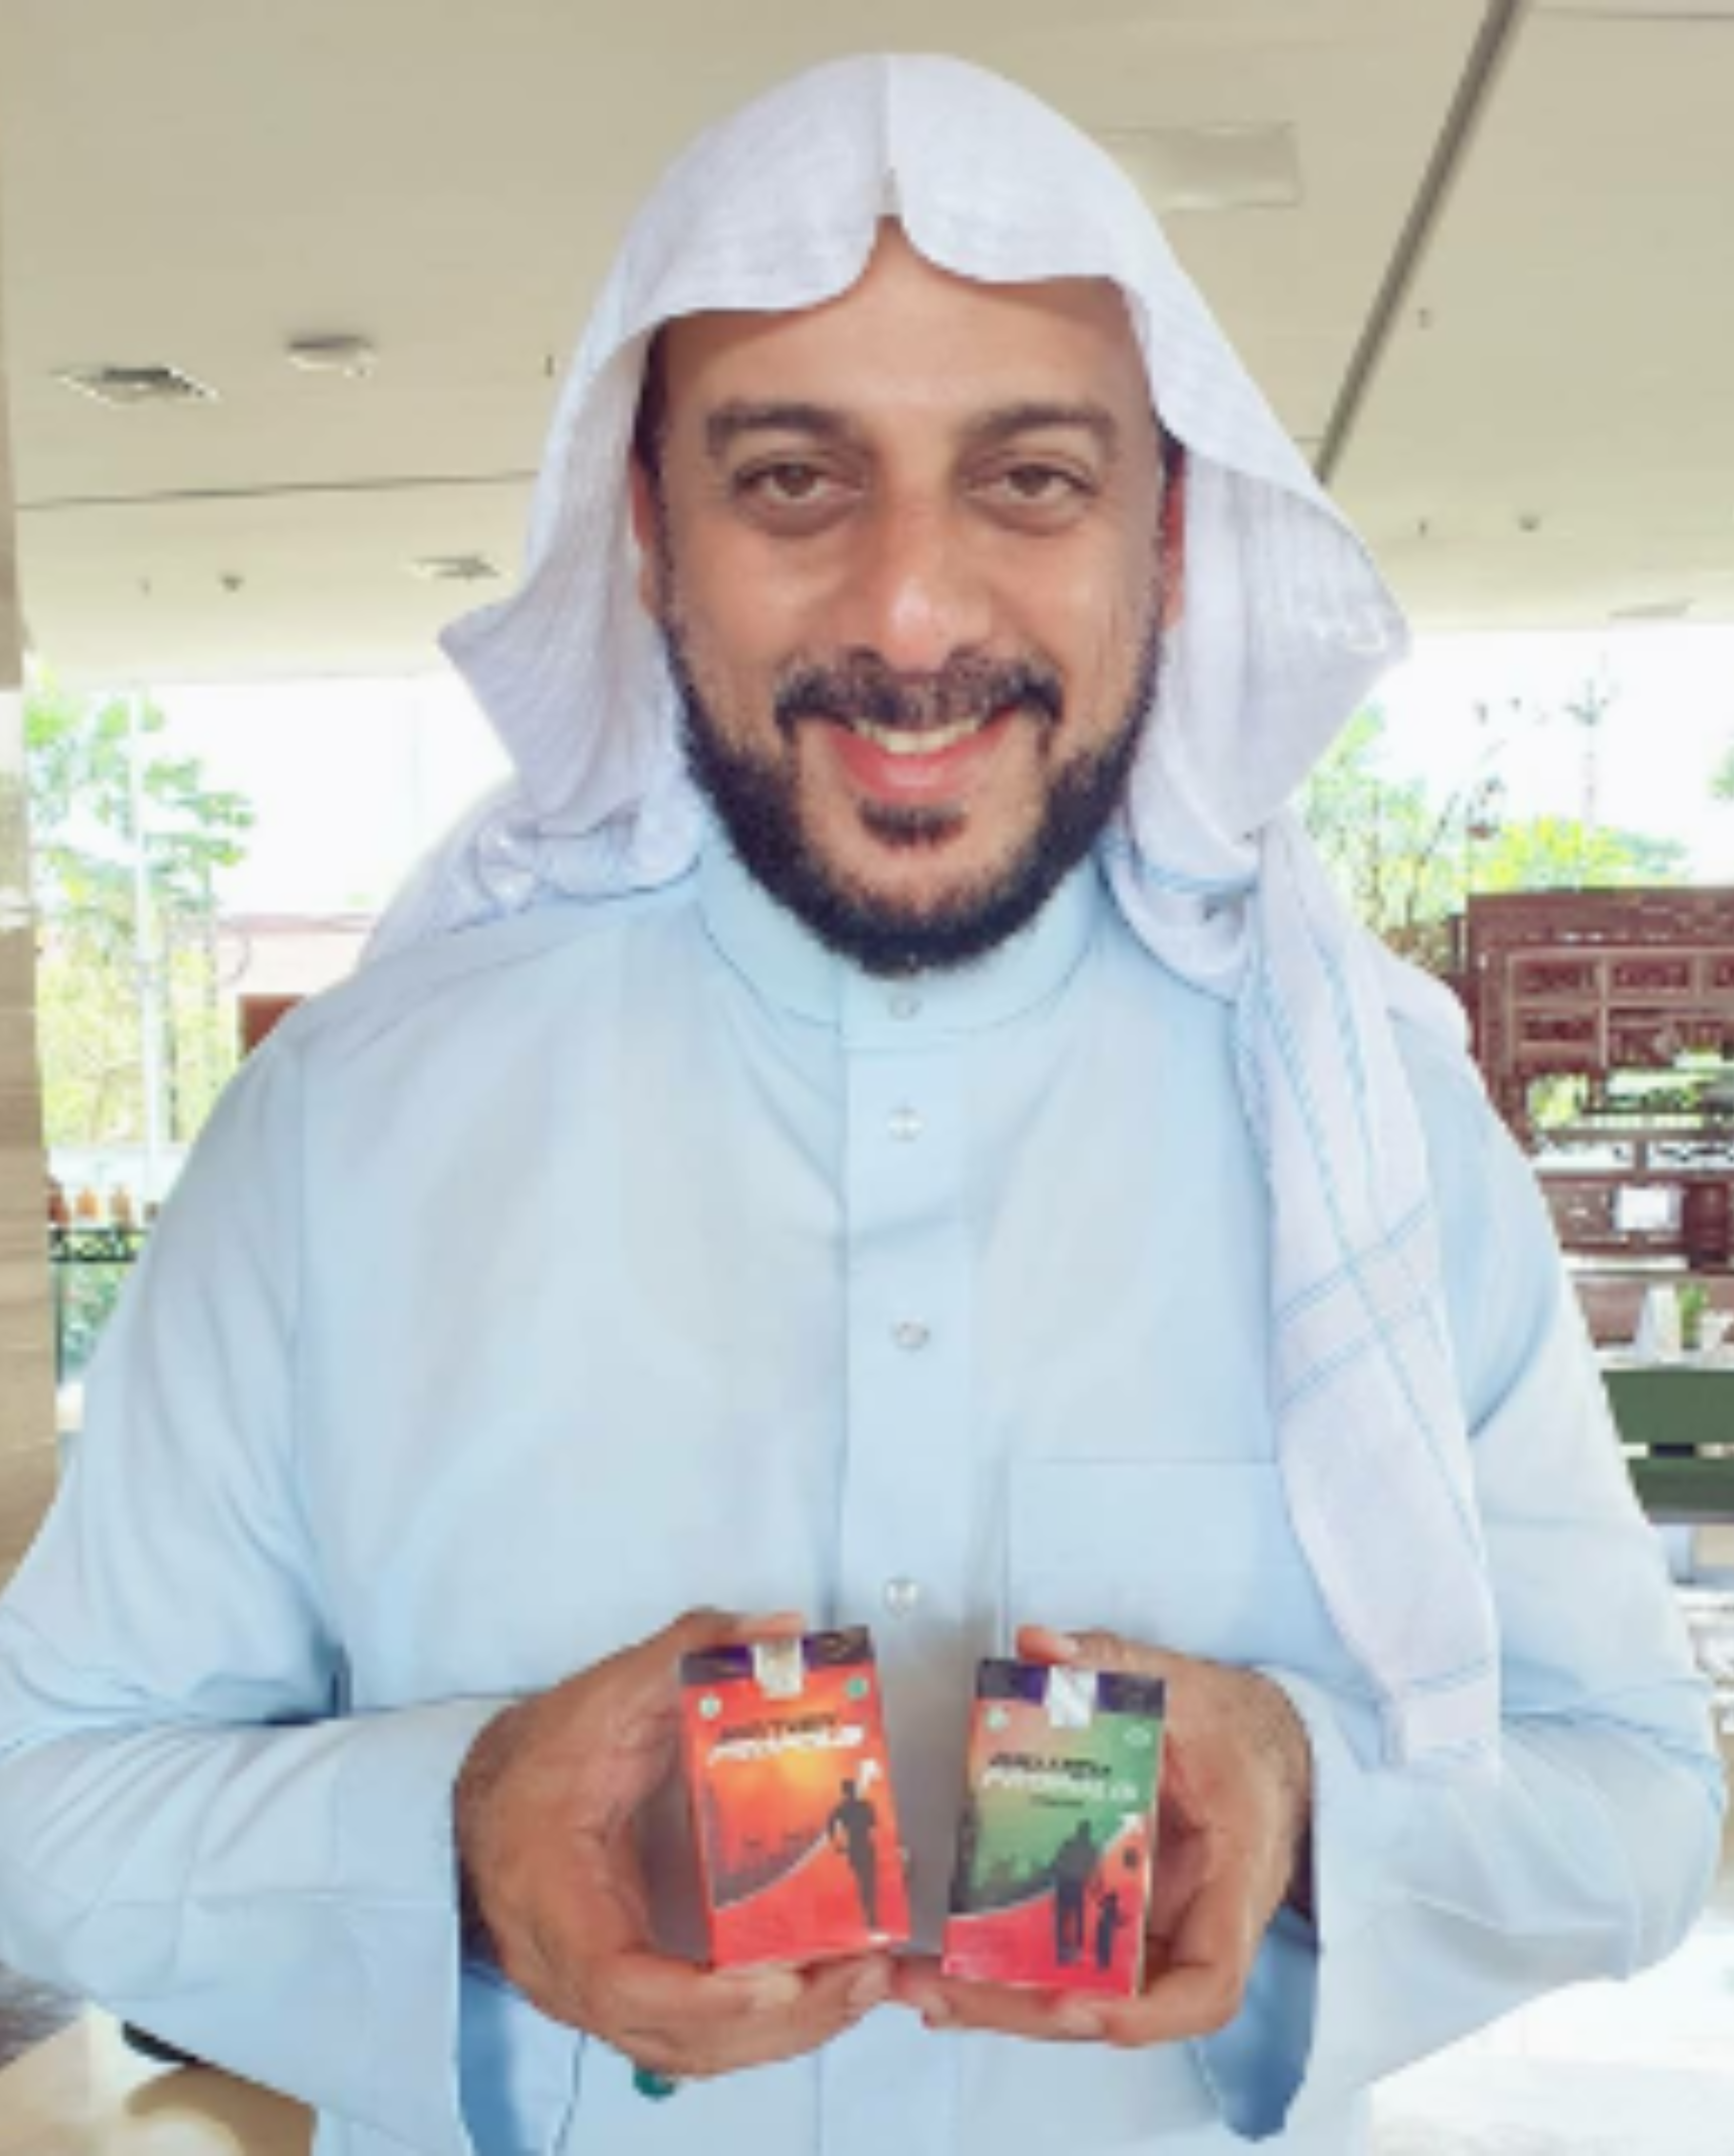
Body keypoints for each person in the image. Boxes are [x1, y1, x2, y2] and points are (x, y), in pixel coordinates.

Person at [0, 51, 1724, 2156]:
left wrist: (1302, 1799)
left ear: (1170, 535)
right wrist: (453, 1830)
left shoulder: (1374, 1129)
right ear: (652, 534)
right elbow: (39, 1801)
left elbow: (1641, 1789)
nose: (913, 612)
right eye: (795, 480)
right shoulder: (340, 1137)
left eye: (1030, 479)